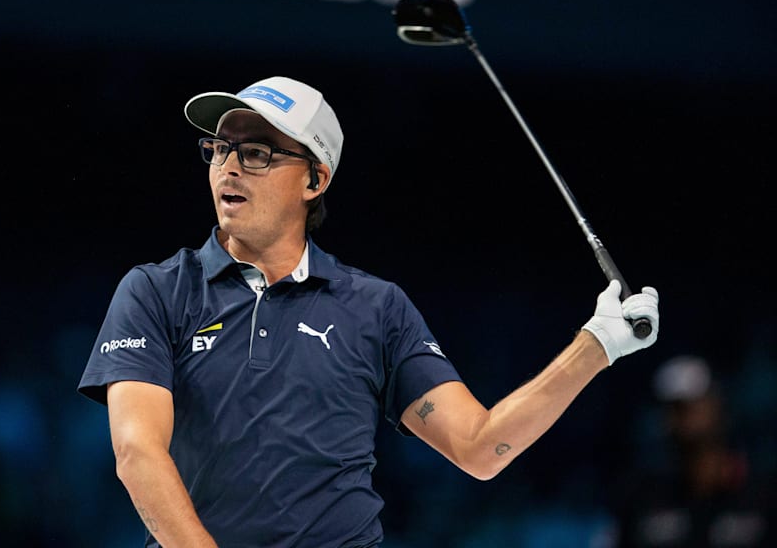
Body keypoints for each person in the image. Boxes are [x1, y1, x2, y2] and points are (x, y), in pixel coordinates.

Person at [77, 75, 661, 548]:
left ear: (315, 178)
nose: (228, 167)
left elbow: (480, 449)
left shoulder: (376, 308)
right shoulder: (156, 292)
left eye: (255, 153)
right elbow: (137, 453)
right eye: (219, 149)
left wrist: (596, 346)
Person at [610, 355, 774, 547]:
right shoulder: (641, 498)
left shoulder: (764, 495)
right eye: (674, 407)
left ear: (718, 405)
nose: (685, 416)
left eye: (692, 404)